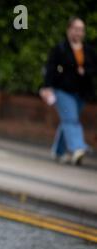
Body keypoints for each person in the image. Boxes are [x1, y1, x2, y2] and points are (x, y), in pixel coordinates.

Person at [40, 17, 96, 166]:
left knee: (68, 121)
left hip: (81, 93)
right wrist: (47, 87)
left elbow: (94, 68)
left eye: (81, 29)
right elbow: (50, 69)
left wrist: (85, 71)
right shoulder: (61, 48)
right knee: (71, 119)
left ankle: (59, 151)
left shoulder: (88, 50)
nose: (78, 32)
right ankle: (78, 147)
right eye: (76, 29)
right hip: (63, 91)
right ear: (69, 30)